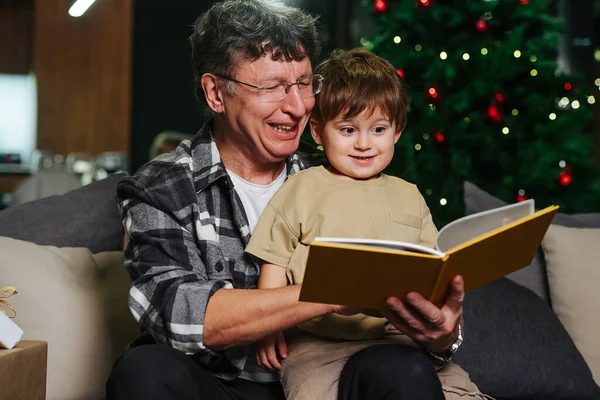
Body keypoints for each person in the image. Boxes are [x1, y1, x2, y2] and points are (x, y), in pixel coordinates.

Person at [106, 1, 467, 399]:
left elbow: (422, 288)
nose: (297, 106)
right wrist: (338, 288)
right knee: (144, 369)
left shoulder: (342, 162)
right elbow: (178, 311)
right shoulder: (162, 187)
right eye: (274, 86)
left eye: (305, 84)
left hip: (336, 375)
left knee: (403, 368)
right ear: (215, 93)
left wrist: (442, 334)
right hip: (223, 383)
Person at [245, 48, 487, 400]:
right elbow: (275, 260)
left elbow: (433, 266)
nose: (363, 143)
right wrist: (269, 330)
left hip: (397, 338)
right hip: (317, 345)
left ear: (397, 132)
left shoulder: (409, 196)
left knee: (460, 393)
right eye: (347, 129)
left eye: (378, 129)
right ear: (317, 130)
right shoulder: (302, 188)